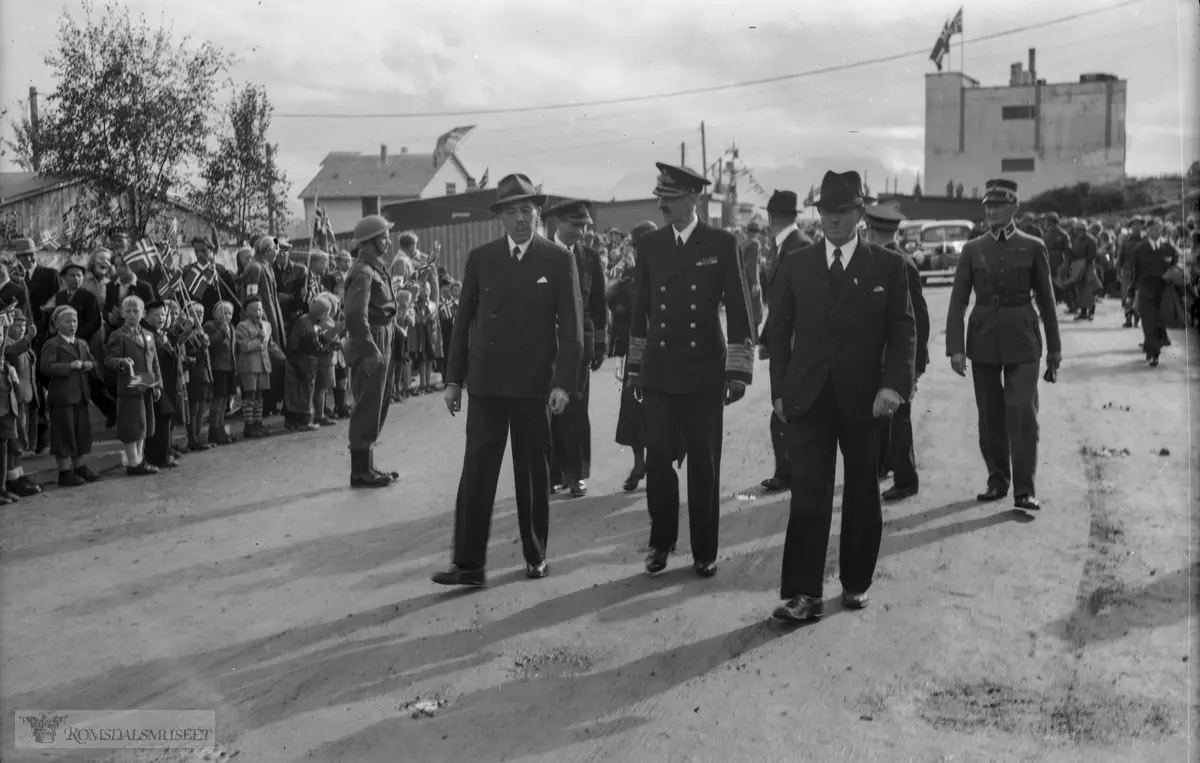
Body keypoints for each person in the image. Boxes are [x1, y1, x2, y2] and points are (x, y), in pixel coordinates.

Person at [767, 170, 916, 623]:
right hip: (808, 398)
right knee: (808, 495)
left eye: (843, 212)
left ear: (859, 214)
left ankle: (856, 582)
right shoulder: (797, 263)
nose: (832, 220)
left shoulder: (887, 266)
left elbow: (903, 329)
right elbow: (778, 331)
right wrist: (778, 390)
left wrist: (894, 385)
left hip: (864, 399)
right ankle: (803, 594)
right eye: (826, 212)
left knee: (862, 494)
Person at [433, 173, 583, 586]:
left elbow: (572, 329)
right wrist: (453, 380)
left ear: (538, 213)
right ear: (499, 216)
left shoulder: (556, 258)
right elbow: (462, 323)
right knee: (477, 473)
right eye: (512, 211)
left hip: (535, 387)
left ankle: (535, 555)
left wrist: (562, 384)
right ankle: (468, 564)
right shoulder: (482, 258)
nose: (521, 219)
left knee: (533, 475)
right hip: (486, 384)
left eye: (528, 210)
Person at [626, 162, 755, 579]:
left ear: (693, 198)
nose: (661, 203)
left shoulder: (720, 242)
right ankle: (661, 542)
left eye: (670, 196)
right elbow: (640, 313)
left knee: (704, 463)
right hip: (661, 372)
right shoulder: (650, 246)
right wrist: (634, 370)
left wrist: (738, 371)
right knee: (659, 459)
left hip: (704, 371)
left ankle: (704, 549)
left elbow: (738, 307)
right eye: (659, 195)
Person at [946, 178, 1061, 512]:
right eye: (988, 206)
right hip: (982, 340)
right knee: (990, 414)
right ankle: (997, 480)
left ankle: (1024, 489)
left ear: (1014, 208)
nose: (991, 210)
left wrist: (1054, 348)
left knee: (1022, 411)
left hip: (1024, 339)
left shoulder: (1033, 246)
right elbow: (957, 301)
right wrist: (956, 346)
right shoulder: (972, 249)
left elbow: (1048, 300)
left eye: (998, 205)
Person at [863, 205, 930, 501]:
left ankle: (906, 478)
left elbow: (919, 319)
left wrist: (914, 365)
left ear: (872, 231)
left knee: (898, 419)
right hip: (882, 355)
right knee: (883, 420)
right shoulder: (879, 260)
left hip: (898, 357)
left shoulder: (899, 263)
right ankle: (885, 468)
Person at [547, 199, 607, 498]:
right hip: (547, 348)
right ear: (560, 222)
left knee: (577, 410)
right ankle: (552, 474)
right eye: (577, 225)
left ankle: (577, 475)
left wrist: (599, 343)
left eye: (585, 226)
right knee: (549, 411)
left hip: (579, 348)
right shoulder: (540, 253)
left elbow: (598, 303)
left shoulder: (590, 258)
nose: (582, 232)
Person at [756, 189, 813, 492]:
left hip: (793, 347)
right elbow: (777, 303)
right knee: (783, 411)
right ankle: (788, 471)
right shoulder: (786, 245)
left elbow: (799, 306)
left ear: (771, 218)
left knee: (785, 411)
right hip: (782, 343)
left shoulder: (797, 247)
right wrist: (766, 338)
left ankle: (789, 473)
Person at [342, 215, 400, 488]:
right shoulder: (363, 271)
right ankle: (360, 472)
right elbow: (355, 315)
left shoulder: (375, 268)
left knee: (379, 401)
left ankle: (368, 465)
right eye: (385, 236)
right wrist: (370, 349)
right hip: (372, 339)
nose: (389, 240)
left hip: (382, 334)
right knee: (368, 403)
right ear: (372, 240)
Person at [39, 305, 100, 487]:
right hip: (62, 396)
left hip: (81, 394)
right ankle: (65, 471)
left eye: (74, 321)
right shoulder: (52, 344)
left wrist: (90, 365)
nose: (72, 324)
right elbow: (45, 368)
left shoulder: (81, 343)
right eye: (67, 321)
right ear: (57, 324)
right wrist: (69, 367)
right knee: (64, 434)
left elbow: (92, 360)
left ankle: (79, 466)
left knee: (80, 433)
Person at [105, 295, 162, 476]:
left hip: (146, 382)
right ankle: (133, 462)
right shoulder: (118, 335)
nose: (131, 314)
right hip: (129, 385)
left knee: (143, 424)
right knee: (131, 425)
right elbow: (108, 359)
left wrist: (157, 384)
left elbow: (155, 362)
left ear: (143, 313)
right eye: (127, 311)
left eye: (135, 311)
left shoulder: (149, 335)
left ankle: (139, 458)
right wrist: (121, 362)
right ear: (122, 313)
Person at [1129, 218, 1180, 367]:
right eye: (1151, 230)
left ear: (1161, 230)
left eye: (1157, 229)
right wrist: (1130, 294)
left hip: (1164, 291)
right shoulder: (1139, 249)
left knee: (1160, 320)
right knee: (1148, 321)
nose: (1155, 232)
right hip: (1146, 290)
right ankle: (1153, 352)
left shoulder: (1169, 249)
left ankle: (1154, 346)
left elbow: (1176, 267)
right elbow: (1134, 273)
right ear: (1147, 232)